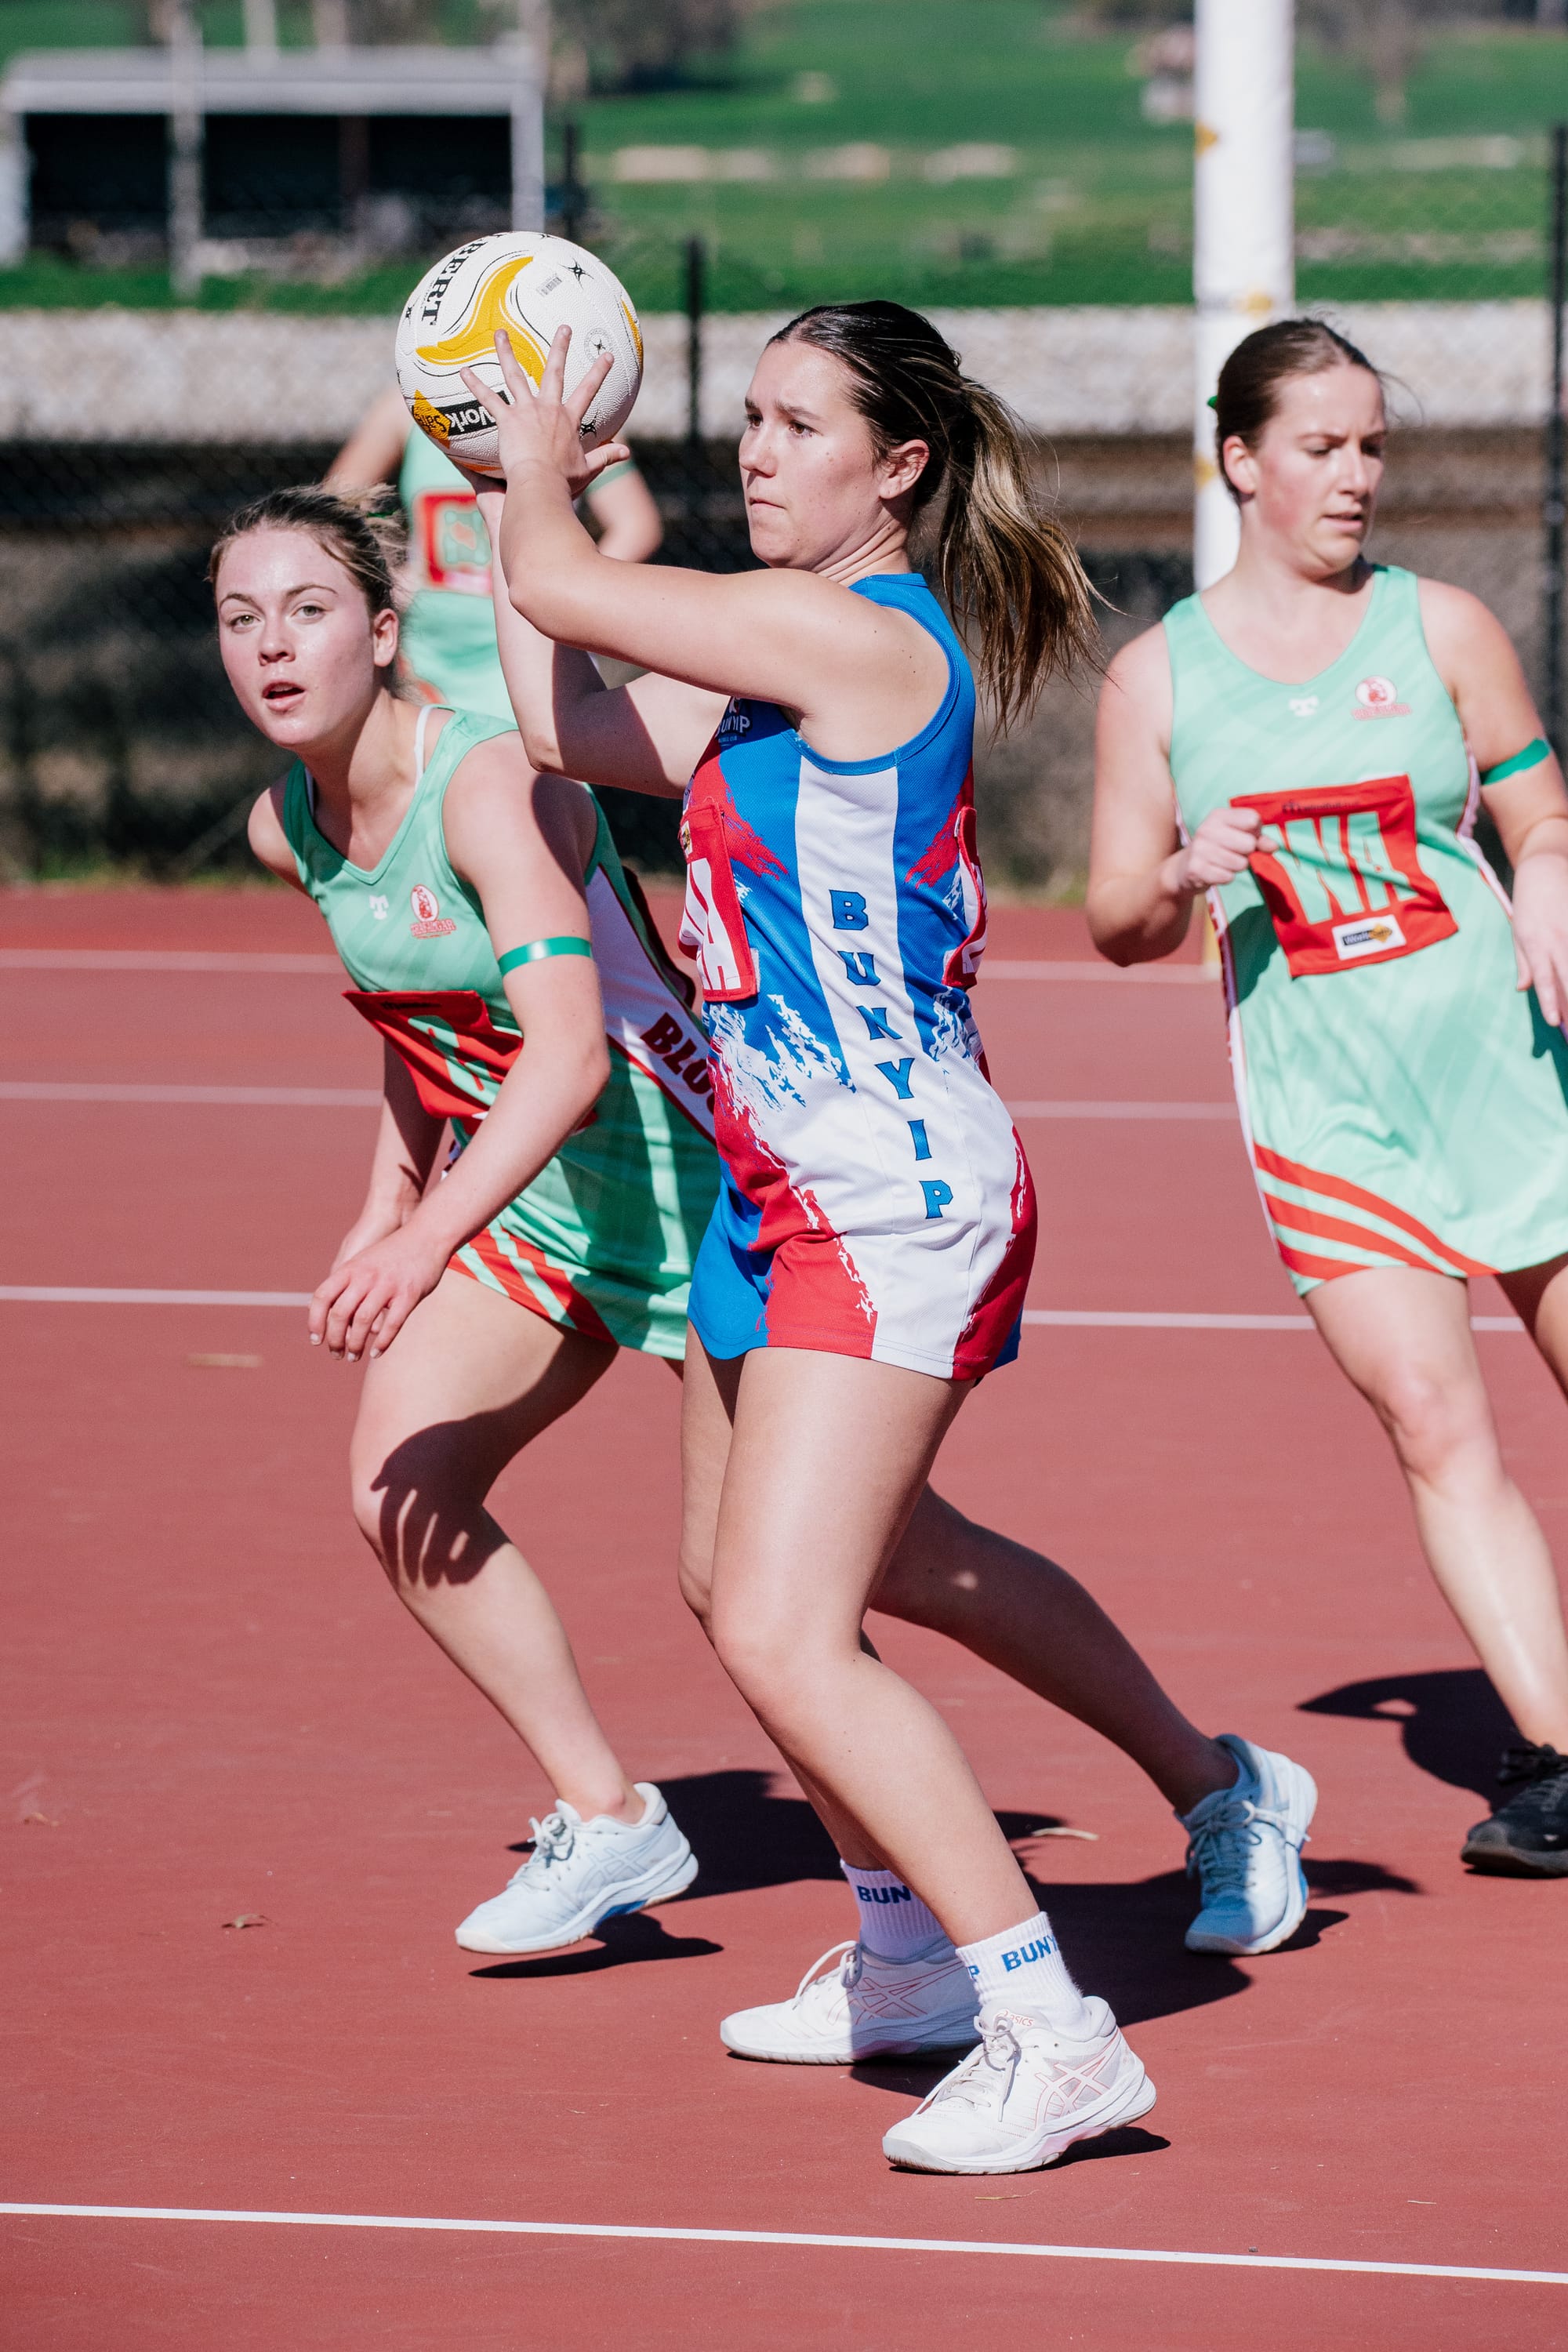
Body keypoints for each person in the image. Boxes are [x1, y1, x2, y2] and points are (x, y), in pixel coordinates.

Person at [457, 299, 1316, 2175]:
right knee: (759, 1573)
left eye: (793, 424)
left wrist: (530, 457)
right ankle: (915, 1948)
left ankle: (1050, 2023)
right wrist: (528, 490)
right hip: (781, 1184)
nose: (755, 451)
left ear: (895, 466)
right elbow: (555, 704)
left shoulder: (851, 642)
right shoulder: (761, 670)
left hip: (890, 1192)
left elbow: (551, 579)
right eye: (744, 421)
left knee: (786, 1613)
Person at [1089, 317, 1568, 1880]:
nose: (1355, 477)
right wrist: (1175, 869)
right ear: (1240, 460)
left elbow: (1531, 798)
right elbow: (1115, 922)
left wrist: (1549, 874)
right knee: (1437, 1424)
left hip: (1499, 1072)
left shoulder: (1439, 629)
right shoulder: (1157, 679)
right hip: (1325, 1113)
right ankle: (1560, 1750)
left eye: (1370, 447)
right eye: (1322, 447)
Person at [212, 484, 718, 1955]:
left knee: (797, 1586)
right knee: (403, 1485)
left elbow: (563, 1055)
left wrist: (421, 1238)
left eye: (308, 611)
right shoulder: (286, 823)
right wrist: (383, 1199)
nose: (273, 647)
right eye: (241, 621)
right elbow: (414, 1015)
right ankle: (613, 1818)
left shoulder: (488, 785)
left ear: (384, 630)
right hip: (537, 1207)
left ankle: (1210, 1783)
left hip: (693, 1192)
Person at [328, 384, 662, 719]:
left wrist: (564, 587)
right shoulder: (410, 406)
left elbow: (636, 525)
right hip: (430, 664)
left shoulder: (572, 406)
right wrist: (385, 581)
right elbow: (334, 508)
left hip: (539, 655)